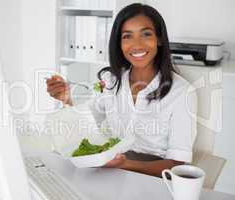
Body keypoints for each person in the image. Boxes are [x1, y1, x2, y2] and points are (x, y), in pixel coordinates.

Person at [46, 3, 197, 177]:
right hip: (109, 167)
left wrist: (126, 164)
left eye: (146, 34)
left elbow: (177, 164)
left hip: (152, 176)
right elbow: (85, 122)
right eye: (127, 36)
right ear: (119, 43)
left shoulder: (183, 92)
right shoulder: (110, 81)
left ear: (160, 39)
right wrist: (67, 100)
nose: (137, 45)